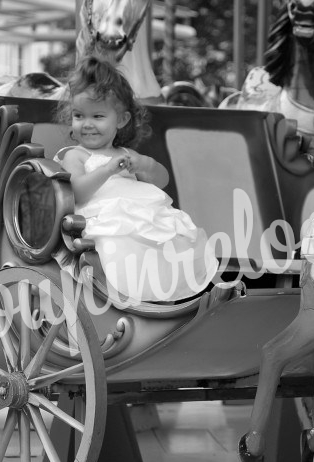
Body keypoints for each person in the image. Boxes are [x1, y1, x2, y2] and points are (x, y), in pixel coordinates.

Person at [55, 56, 218, 303]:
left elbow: (162, 179)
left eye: (98, 117)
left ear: (121, 120)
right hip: (102, 222)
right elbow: (76, 191)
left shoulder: (126, 155)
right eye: (79, 116)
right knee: (118, 241)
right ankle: (126, 296)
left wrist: (145, 164)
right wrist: (106, 171)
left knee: (169, 238)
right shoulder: (75, 156)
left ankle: (159, 297)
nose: (87, 124)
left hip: (139, 218)